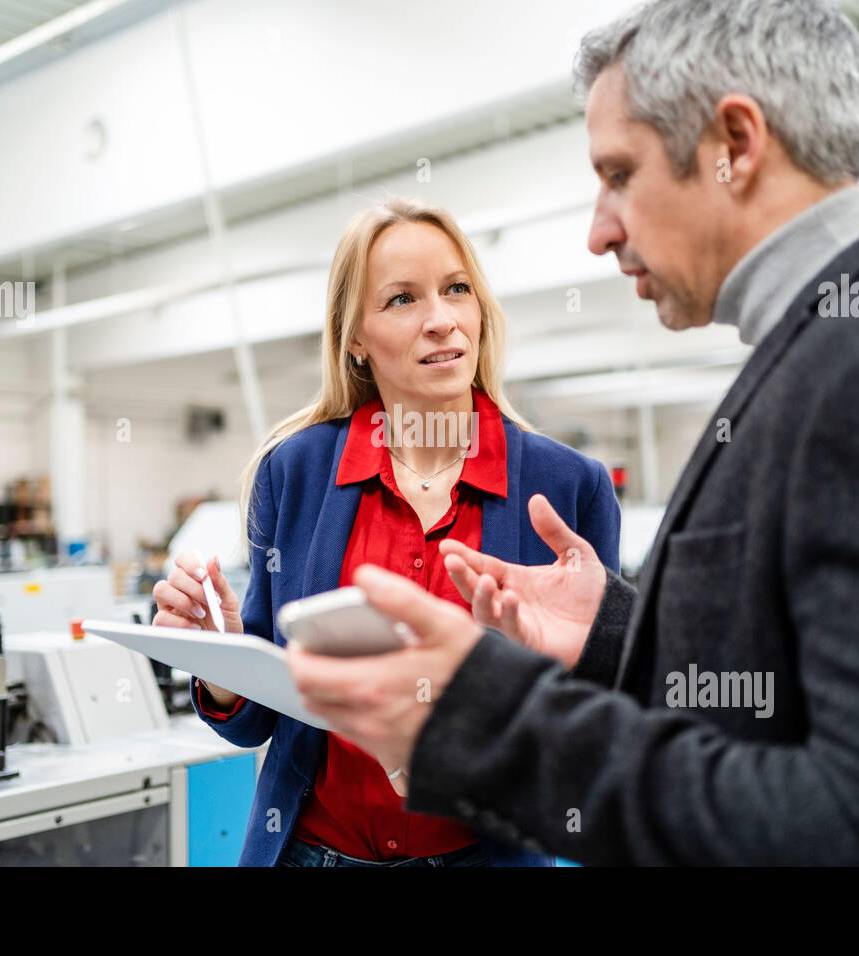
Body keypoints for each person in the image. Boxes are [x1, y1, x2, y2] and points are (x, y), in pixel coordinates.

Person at [287, 0, 859, 865]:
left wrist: (493, 720)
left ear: (734, 146)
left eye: (619, 174)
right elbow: (794, 715)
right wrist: (615, 632)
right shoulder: (844, 351)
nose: (599, 231)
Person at [152, 197, 620, 867]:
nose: (441, 320)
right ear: (356, 340)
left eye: (457, 289)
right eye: (402, 299)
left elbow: (601, 723)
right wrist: (222, 658)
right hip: (310, 852)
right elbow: (259, 717)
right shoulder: (296, 472)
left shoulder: (567, 486)